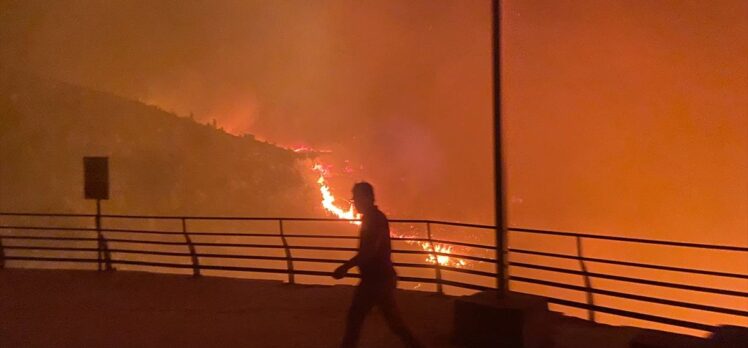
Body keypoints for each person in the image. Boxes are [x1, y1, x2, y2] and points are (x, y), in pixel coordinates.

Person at [332, 182, 423, 348]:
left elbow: (369, 250)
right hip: (381, 278)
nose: (355, 203)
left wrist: (346, 266)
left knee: (355, 317)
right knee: (394, 323)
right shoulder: (373, 217)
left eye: (357, 198)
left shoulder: (374, 219)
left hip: (375, 280)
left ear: (367, 198)